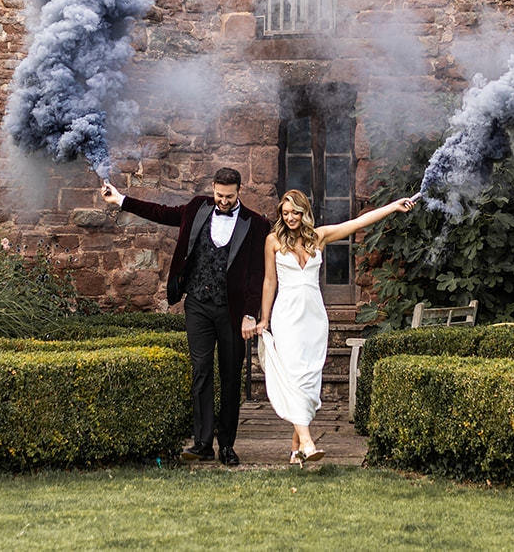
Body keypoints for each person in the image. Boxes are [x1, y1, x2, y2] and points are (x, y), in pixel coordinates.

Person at [102, 167, 269, 466]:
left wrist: (249, 314)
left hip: (232, 311)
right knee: (201, 370)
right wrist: (122, 200)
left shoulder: (255, 224)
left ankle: (227, 446)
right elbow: (161, 213)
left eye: (229, 196)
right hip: (198, 305)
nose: (224, 201)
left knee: (230, 377)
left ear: (239, 192)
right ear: (213, 188)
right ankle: (203, 443)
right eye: (219, 195)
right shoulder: (197, 208)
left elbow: (257, 274)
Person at [254, 189, 416, 465]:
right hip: (287, 316)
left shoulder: (319, 236)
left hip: (314, 318)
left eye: (295, 212)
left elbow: (356, 224)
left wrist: (393, 207)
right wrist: (264, 319)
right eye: (285, 213)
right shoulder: (273, 241)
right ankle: (307, 441)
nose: (290, 218)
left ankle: (295, 451)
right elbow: (269, 282)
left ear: (304, 212)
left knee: (307, 378)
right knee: (293, 375)